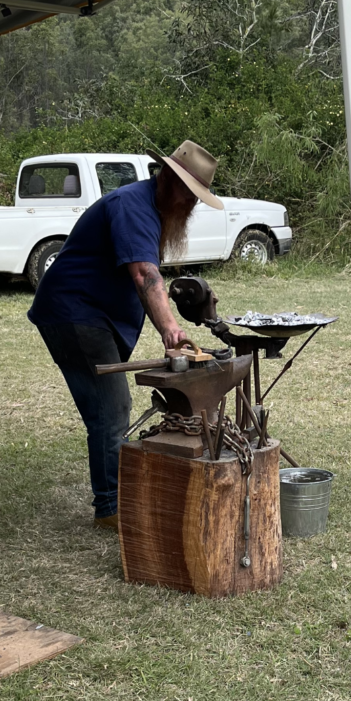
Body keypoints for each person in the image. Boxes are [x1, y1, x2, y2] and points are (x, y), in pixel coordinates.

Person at [28, 141, 224, 528]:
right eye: (188, 194)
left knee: (106, 410)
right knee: (110, 409)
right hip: (75, 313)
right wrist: (171, 330)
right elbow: (143, 274)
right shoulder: (133, 205)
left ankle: (115, 496)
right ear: (167, 178)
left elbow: (147, 274)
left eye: (197, 197)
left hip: (94, 315)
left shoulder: (154, 208)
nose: (191, 204)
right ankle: (111, 508)